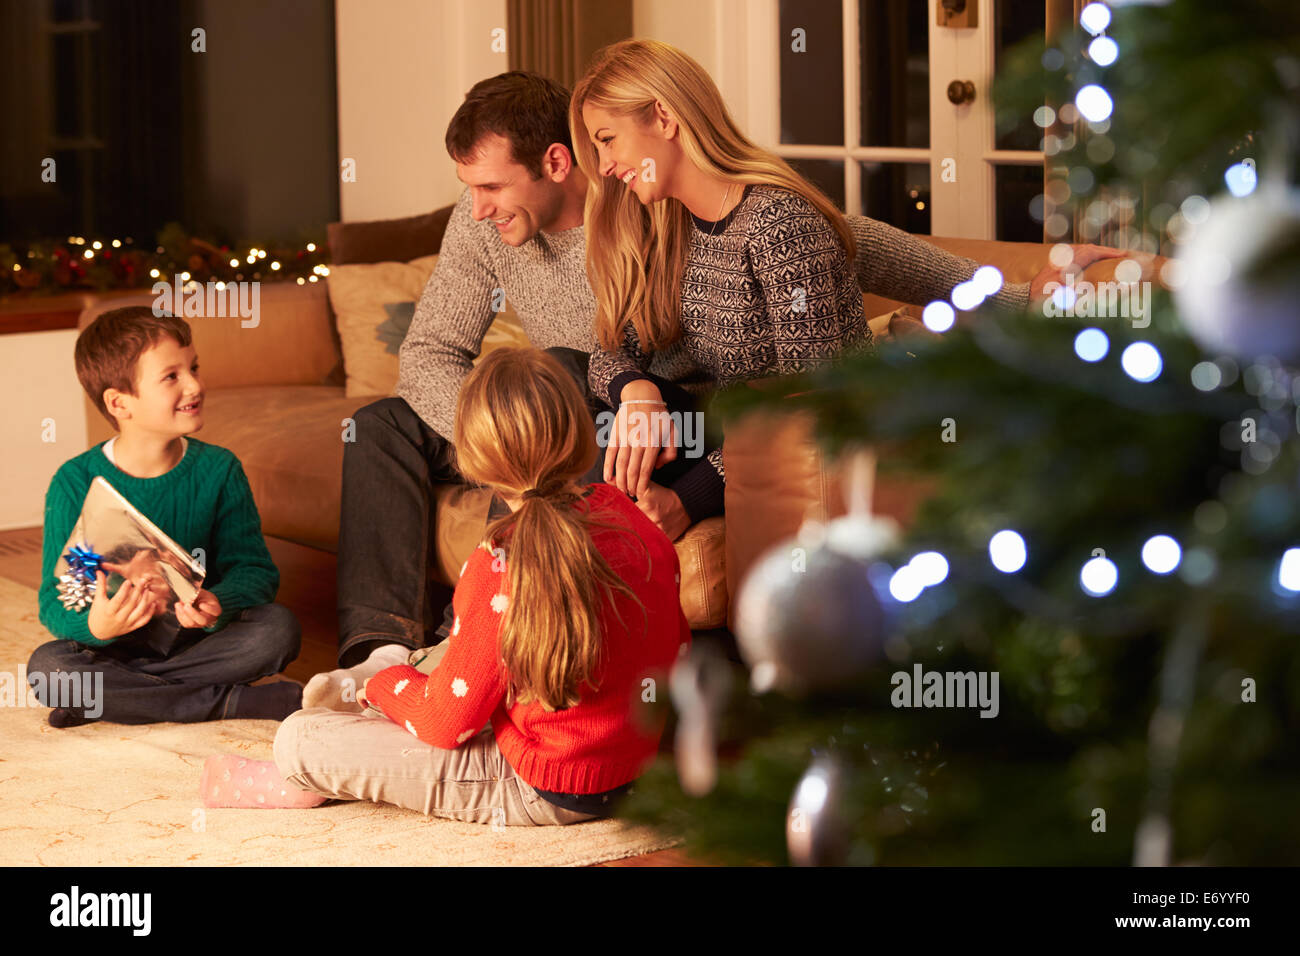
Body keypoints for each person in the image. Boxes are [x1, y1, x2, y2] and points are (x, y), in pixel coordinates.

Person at [326, 66, 1119, 691]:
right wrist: (501, 442)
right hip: (565, 413)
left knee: (568, 371)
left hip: (666, 416)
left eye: (491, 187)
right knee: (380, 424)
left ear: (557, 162)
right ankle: (381, 650)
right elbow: (427, 355)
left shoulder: (643, 197)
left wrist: (1010, 296)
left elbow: (850, 239)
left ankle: (564, 652)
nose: (475, 209)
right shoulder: (483, 230)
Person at [572, 38, 1123, 502]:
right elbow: (608, 348)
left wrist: (688, 501)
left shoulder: (778, 224)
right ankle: (524, 585)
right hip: (729, 432)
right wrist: (635, 390)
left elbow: (809, 405)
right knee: (561, 382)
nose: (603, 167)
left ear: (664, 118)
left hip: (805, 441)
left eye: (607, 141)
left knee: (589, 445)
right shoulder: (667, 224)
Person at [202, 348, 690, 825]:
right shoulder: (627, 513)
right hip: (636, 767)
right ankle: (393, 690)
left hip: (545, 786)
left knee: (301, 738)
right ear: (585, 436)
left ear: (474, 462)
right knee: (452, 658)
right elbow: (675, 642)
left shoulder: (499, 558)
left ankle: (313, 766)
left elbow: (445, 727)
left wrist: (382, 686)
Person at [27, 307, 301, 726]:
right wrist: (96, 625)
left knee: (278, 630)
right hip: (111, 647)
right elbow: (55, 599)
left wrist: (217, 603)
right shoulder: (74, 481)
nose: (195, 384)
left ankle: (110, 697)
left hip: (197, 641)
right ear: (120, 403)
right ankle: (229, 703)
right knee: (48, 669)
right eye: (171, 376)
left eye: (193, 368)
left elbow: (254, 571)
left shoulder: (219, 469)